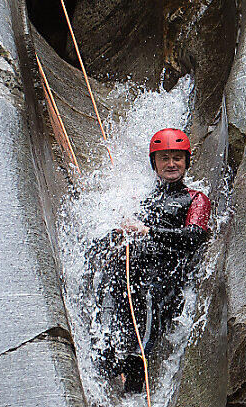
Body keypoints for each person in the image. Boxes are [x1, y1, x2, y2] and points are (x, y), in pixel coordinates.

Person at [86, 128, 211, 393]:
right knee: (110, 279)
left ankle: (137, 359)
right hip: (132, 265)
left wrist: (150, 231)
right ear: (154, 163)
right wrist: (115, 233)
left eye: (177, 158)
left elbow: (194, 236)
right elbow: (122, 232)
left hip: (165, 271)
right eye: (164, 158)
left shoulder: (196, 198)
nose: (171, 164)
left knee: (152, 292)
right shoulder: (141, 197)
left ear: (186, 162)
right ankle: (104, 345)